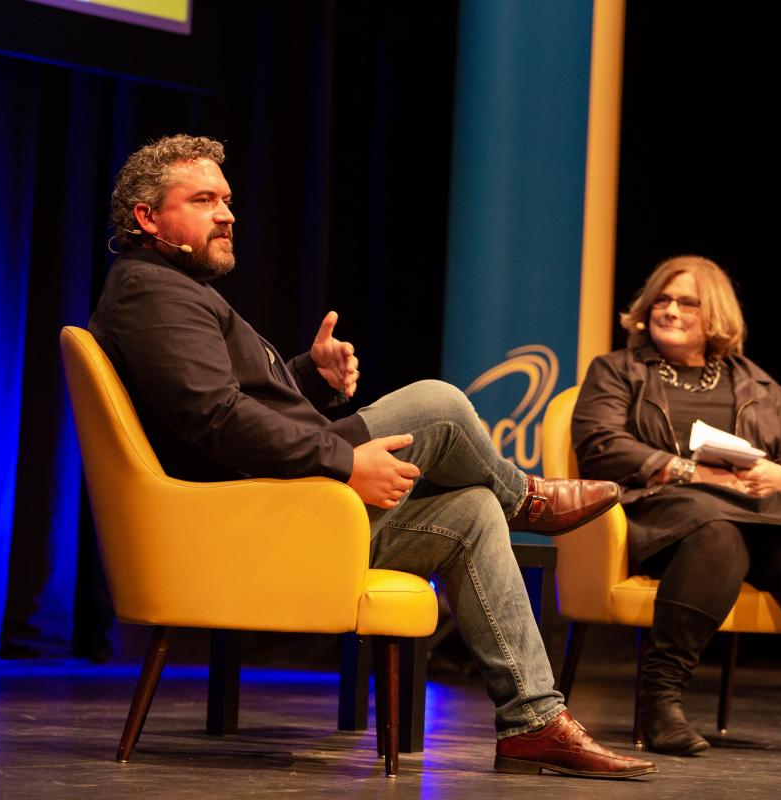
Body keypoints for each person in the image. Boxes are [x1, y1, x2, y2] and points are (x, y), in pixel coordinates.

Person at [89, 134, 656, 779]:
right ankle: (524, 496)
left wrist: (308, 375)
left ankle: (534, 722)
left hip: (281, 504)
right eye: (203, 200)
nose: (226, 213)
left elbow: (230, 404)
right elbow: (214, 422)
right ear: (146, 217)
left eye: (227, 198)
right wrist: (344, 463)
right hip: (251, 517)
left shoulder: (171, 288)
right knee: (439, 405)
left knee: (469, 510)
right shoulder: (152, 294)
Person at [572, 255, 781, 760]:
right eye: (662, 301)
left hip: (755, 513)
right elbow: (601, 444)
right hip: (663, 509)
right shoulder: (617, 370)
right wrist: (690, 471)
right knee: (716, 531)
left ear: (714, 315)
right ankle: (661, 702)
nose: (669, 311)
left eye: (686, 302)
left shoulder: (757, 383)